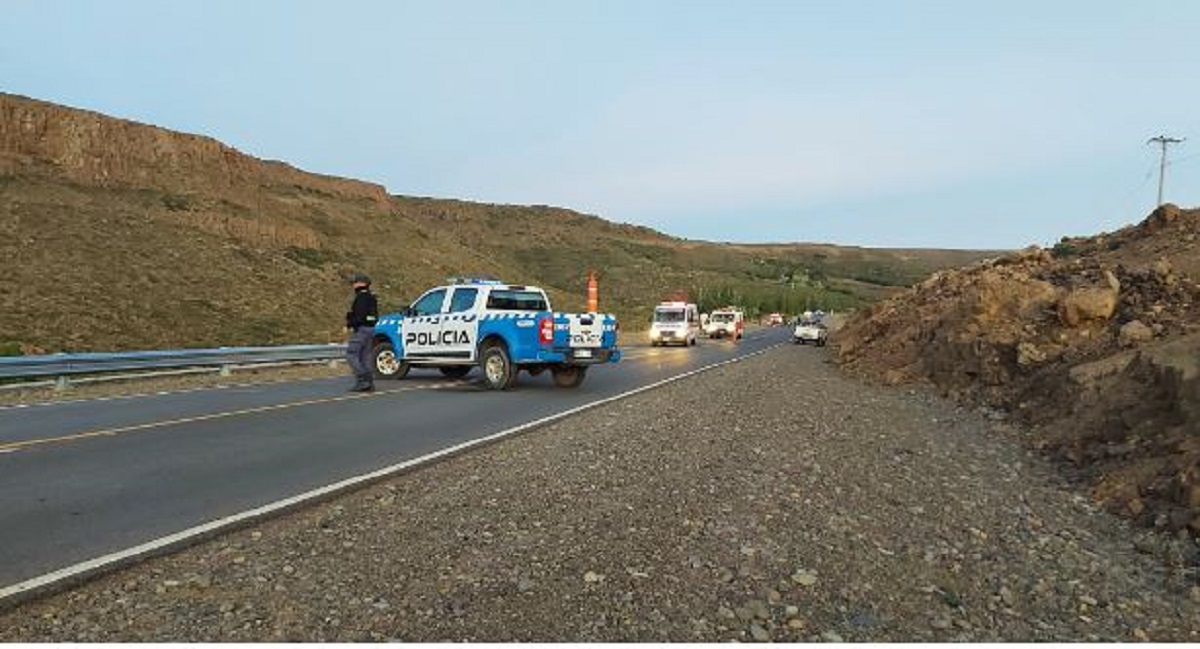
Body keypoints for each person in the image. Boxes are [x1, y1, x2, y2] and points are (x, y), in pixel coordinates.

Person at [344, 272, 378, 392]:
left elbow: (360, 316)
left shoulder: (361, 297)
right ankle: (369, 382)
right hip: (371, 329)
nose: (353, 284)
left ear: (361, 283)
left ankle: (362, 380)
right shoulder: (372, 297)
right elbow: (373, 317)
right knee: (365, 357)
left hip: (362, 329)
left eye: (355, 282)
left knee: (351, 354)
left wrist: (350, 322)